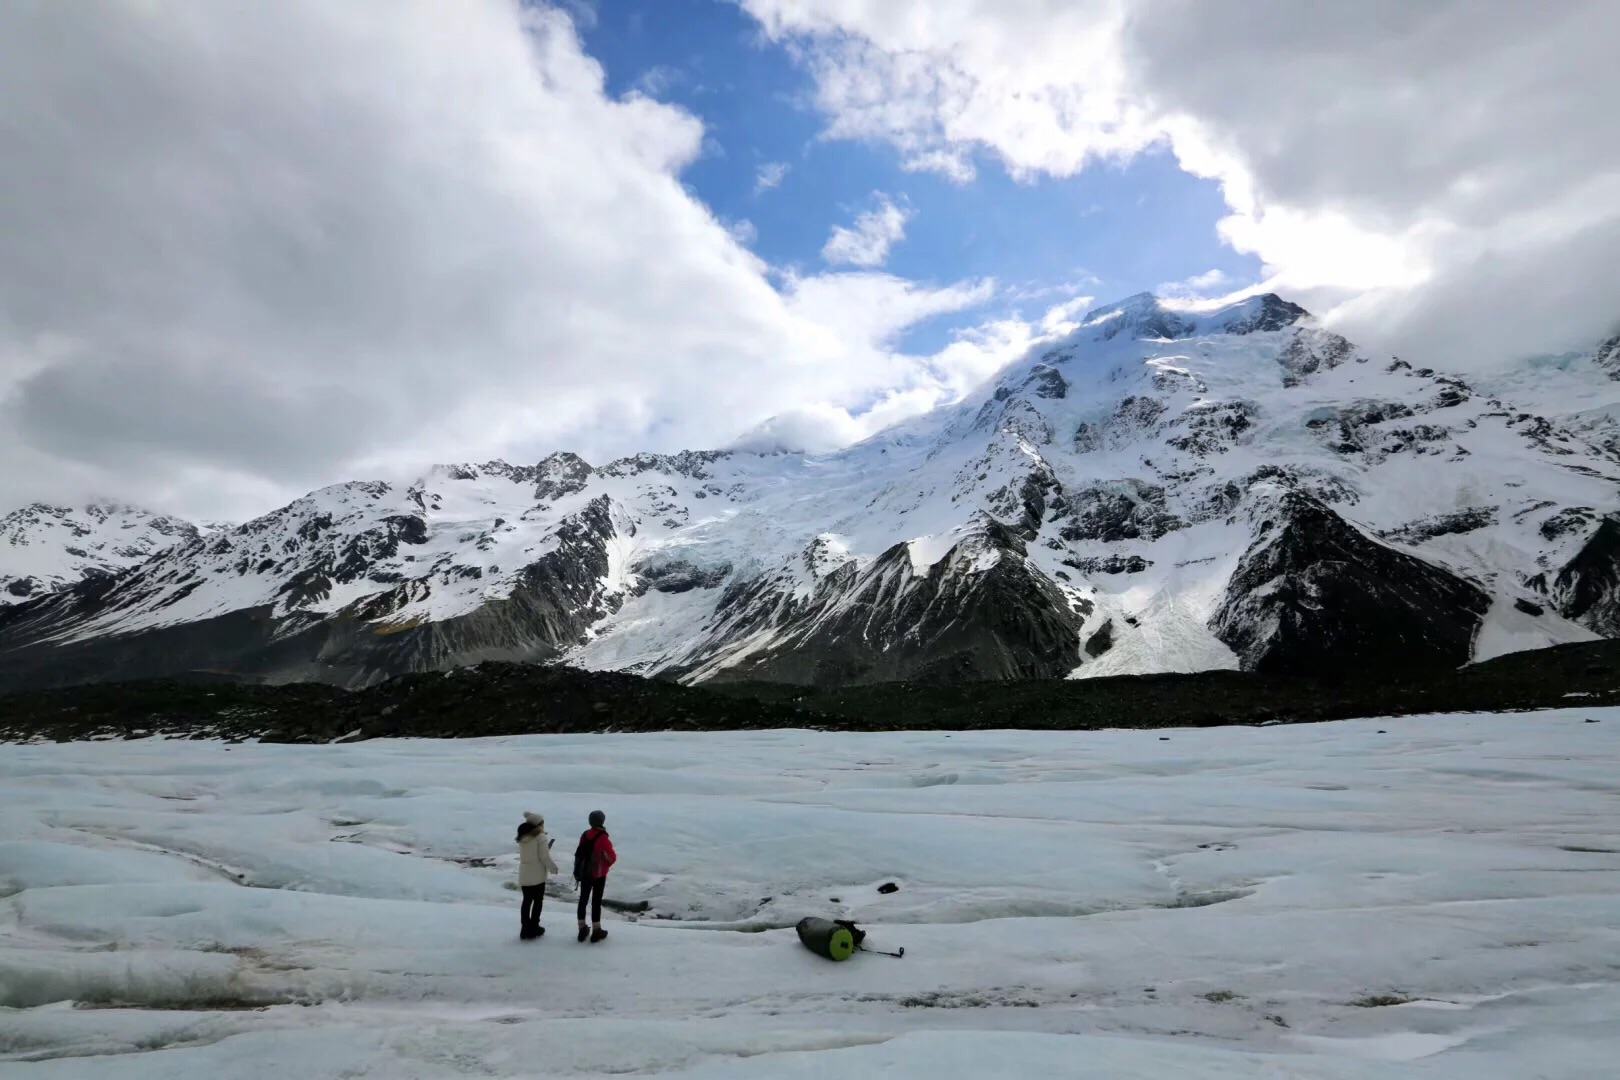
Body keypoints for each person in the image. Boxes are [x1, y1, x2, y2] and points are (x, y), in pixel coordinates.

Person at [574, 809, 616, 943]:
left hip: (585, 872)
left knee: (583, 900)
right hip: (598, 875)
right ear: (601, 821)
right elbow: (611, 858)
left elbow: (579, 852)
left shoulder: (585, 834)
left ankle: (582, 929)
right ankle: (596, 930)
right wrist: (604, 866)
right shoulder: (603, 837)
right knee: (596, 902)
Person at [515, 811, 559, 940]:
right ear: (539, 824)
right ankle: (534, 927)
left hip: (525, 874)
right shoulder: (540, 837)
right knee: (537, 901)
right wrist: (553, 868)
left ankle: (525, 929)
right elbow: (544, 856)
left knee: (526, 901)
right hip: (538, 875)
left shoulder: (523, 836)